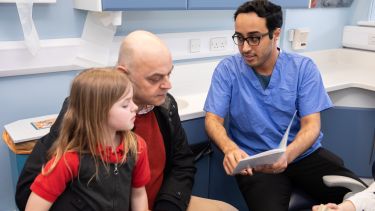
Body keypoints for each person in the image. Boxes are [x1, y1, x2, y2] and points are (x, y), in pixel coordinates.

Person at [16, 30, 237, 211]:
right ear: (124, 73)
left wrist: (168, 205)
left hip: (160, 201)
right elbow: (27, 190)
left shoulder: (165, 106)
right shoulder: (84, 111)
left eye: (169, 74)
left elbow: (183, 164)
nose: (168, 85)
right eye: (155, 78)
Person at [204, 1, 365, 210]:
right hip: (255, 163)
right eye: (239, 38)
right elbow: (212, 120)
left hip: (303, 155)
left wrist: (287, 155)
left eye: (253, 38)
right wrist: (230, 148)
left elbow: (311, 126)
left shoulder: (302, 69)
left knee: (362, 198)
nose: (244, 47)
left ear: (275, 33)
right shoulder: (227, 71)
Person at [25, 68, 150, 211]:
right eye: (125, 104)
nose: (135, 107)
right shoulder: (69, 160)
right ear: (98, 113)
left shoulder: (136, 147)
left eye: (132, 100)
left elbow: (138, 195)